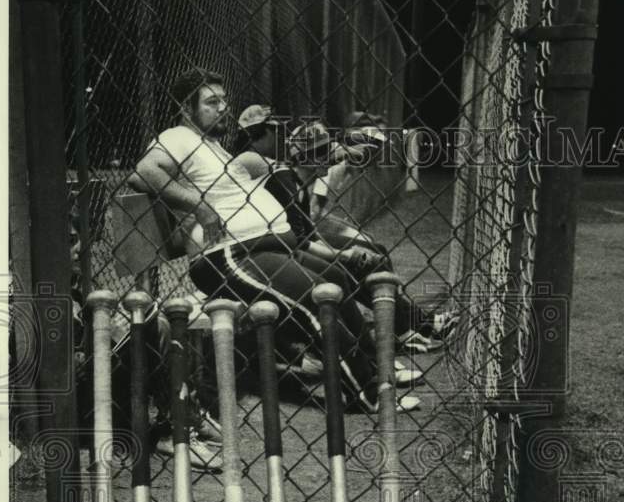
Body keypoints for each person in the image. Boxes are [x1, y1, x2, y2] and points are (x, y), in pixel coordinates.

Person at [130, 68, 419, 414]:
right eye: (211, 102)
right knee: (317, 301)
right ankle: (368, 392)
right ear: (185, 108)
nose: (223, 107)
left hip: (265, 245)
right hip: (228, 254)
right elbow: (143, 171)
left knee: (337, 280)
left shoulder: (213, 147)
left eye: (224, 100)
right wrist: (201, 207)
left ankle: (376, 371)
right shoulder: (178, 136)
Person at [234, 107, 457, 357]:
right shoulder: (269, 169)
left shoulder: (297, 170)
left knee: (372, 254)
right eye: (317, 153)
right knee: (357, 263)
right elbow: (306, 230)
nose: (325, 158)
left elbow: (309, 220)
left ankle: (409, 324)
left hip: (300, 236)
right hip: (281, 247)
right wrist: (346, 251)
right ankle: (404, 329)